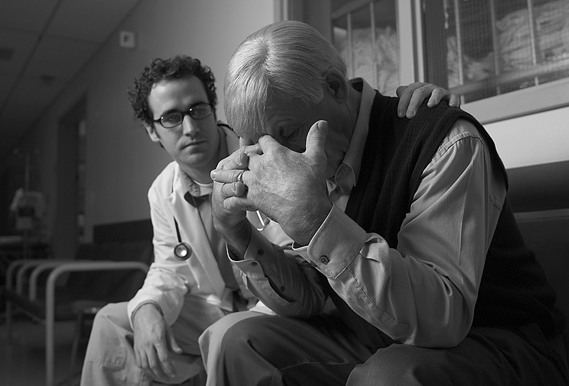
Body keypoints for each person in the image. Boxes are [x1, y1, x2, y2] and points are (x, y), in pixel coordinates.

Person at [204, 21, 569, 386]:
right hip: (375, 337)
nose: (276, 160)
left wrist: (314, 220)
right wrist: (236, 233)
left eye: (288, 134)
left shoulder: (447, 142)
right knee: (234, 340)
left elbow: (444, 318)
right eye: (255, 143)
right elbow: (310, 298)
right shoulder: (302, 163)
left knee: (387, 377)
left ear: (333, 87)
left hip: (500, 340)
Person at [79, 54, 456, 386]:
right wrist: (147, 307)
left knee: (229, 337)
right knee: (115, 322)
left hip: (281, 298)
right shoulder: (163, 191)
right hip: (219, 301)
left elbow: (356, 121)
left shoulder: (272, 154)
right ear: (152, 130)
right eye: (172, 118)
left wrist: (405, 110)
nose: (191, 128)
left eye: (198, 110)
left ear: (214, 110)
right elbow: (169, 266)